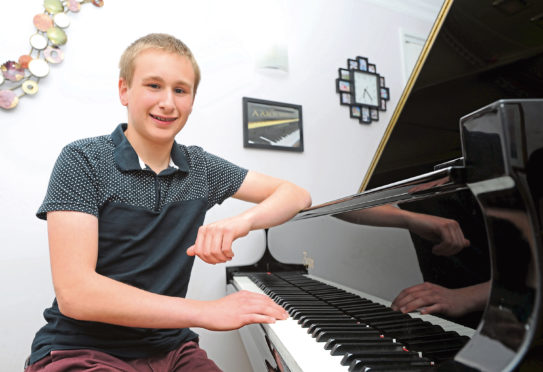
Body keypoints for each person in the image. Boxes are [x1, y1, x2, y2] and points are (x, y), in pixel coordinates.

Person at [25, 33, 311, 371]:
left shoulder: (202, 168)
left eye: (180, 90)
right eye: (153, 86)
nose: (168, 103)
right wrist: (206, 312)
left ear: (191, 99)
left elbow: (296, 195)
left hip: (171, 349)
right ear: (124, 91)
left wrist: (240, 222)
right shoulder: (83, 160)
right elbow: (76, 294)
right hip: (83, 350)